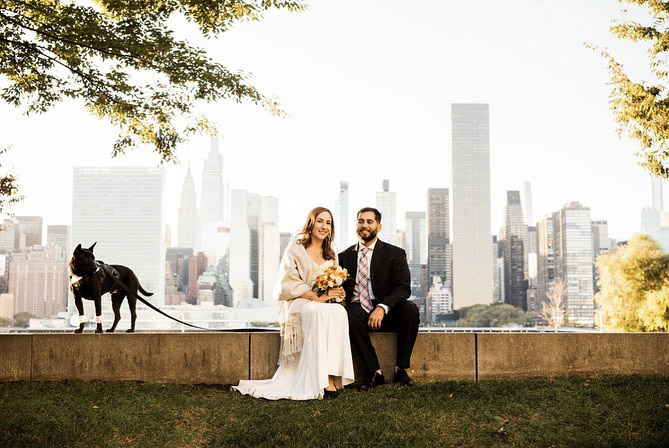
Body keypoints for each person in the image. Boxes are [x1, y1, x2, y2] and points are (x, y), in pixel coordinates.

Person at [233, 207, 355, 400]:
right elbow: (286, 284)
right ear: (311, 223)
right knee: (317, 311)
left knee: (339, 312)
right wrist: (316, 296)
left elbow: (331, 287)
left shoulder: (331, 254)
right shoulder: (296, 248)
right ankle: (321, 379)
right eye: (320, 221)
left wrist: (336, 292)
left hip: (321, 303)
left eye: (328, 223)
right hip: (298, 301)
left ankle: (331, 375)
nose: (324, 226)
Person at [339, 207, 420, 390]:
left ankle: (401, 369)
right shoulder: (343, 257)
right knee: (349, 315)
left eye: (369, 221)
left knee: (410, 310)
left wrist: (382, 307)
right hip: (358, 309)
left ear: (379, 226)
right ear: (356, 225)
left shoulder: (395, 253)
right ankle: (375, 372)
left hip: (386, 310)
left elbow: (403, 287)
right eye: (361, 221)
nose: (364, 225)